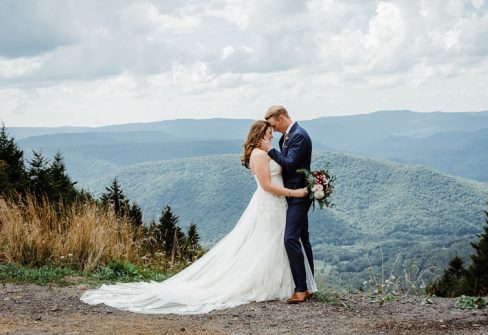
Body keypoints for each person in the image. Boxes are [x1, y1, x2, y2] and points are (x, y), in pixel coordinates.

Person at [80, 120, 316, 315]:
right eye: (267, 134)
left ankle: (286, 284)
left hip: (277, 206)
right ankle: (266, 283)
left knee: (274, 244)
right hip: (270, 203)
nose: (271, 138)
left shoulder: (265, 152)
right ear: (258, 135)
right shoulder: (259, 155)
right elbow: (266, 186)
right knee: (265, 244)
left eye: (272, 135)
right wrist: (294, 192)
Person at [261, 105, 314, 304]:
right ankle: (309, 285)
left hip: (298, 194)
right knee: (302, 238)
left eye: (274, 125)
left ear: (282, 117)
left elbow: (290, 164)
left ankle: (300, 289)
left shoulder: (299, 135)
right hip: (291, 193)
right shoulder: (288, 136)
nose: (273, 130)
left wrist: (270, 150)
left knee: (290, 238)